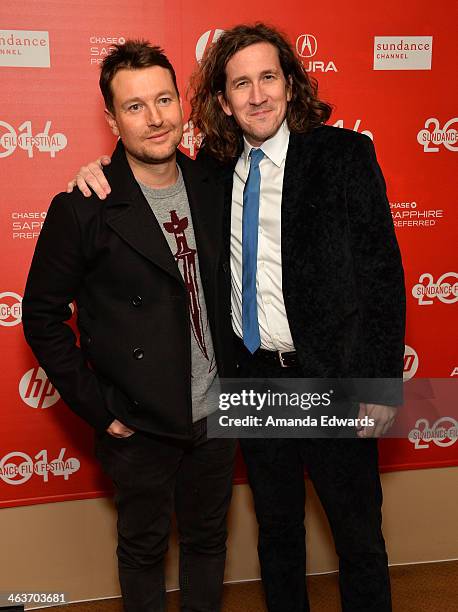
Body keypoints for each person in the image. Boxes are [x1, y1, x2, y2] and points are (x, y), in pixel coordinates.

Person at [67, 23, 406, 612]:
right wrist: (95, 172)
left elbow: (382, 277)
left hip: (334, 381)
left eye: (268, 77)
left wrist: (379, 382)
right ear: (222, 101)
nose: (256, 96)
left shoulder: (344, 157)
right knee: (277, 533)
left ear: (290, 84)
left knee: (358, 539)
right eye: (240, 83)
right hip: (252, 379)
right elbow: (146, 177)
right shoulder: (212, 171)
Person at [22, 40, 237, 612]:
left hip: (216, 415)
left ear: (182, 105)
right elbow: (40, 315)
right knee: (143, 551)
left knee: (207, 543)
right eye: (135, 106)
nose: (155, 118)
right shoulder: (84, 204)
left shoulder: (217, 188)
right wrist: (101, 408)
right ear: (112, 118)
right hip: (139, 424)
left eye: (163, 99)